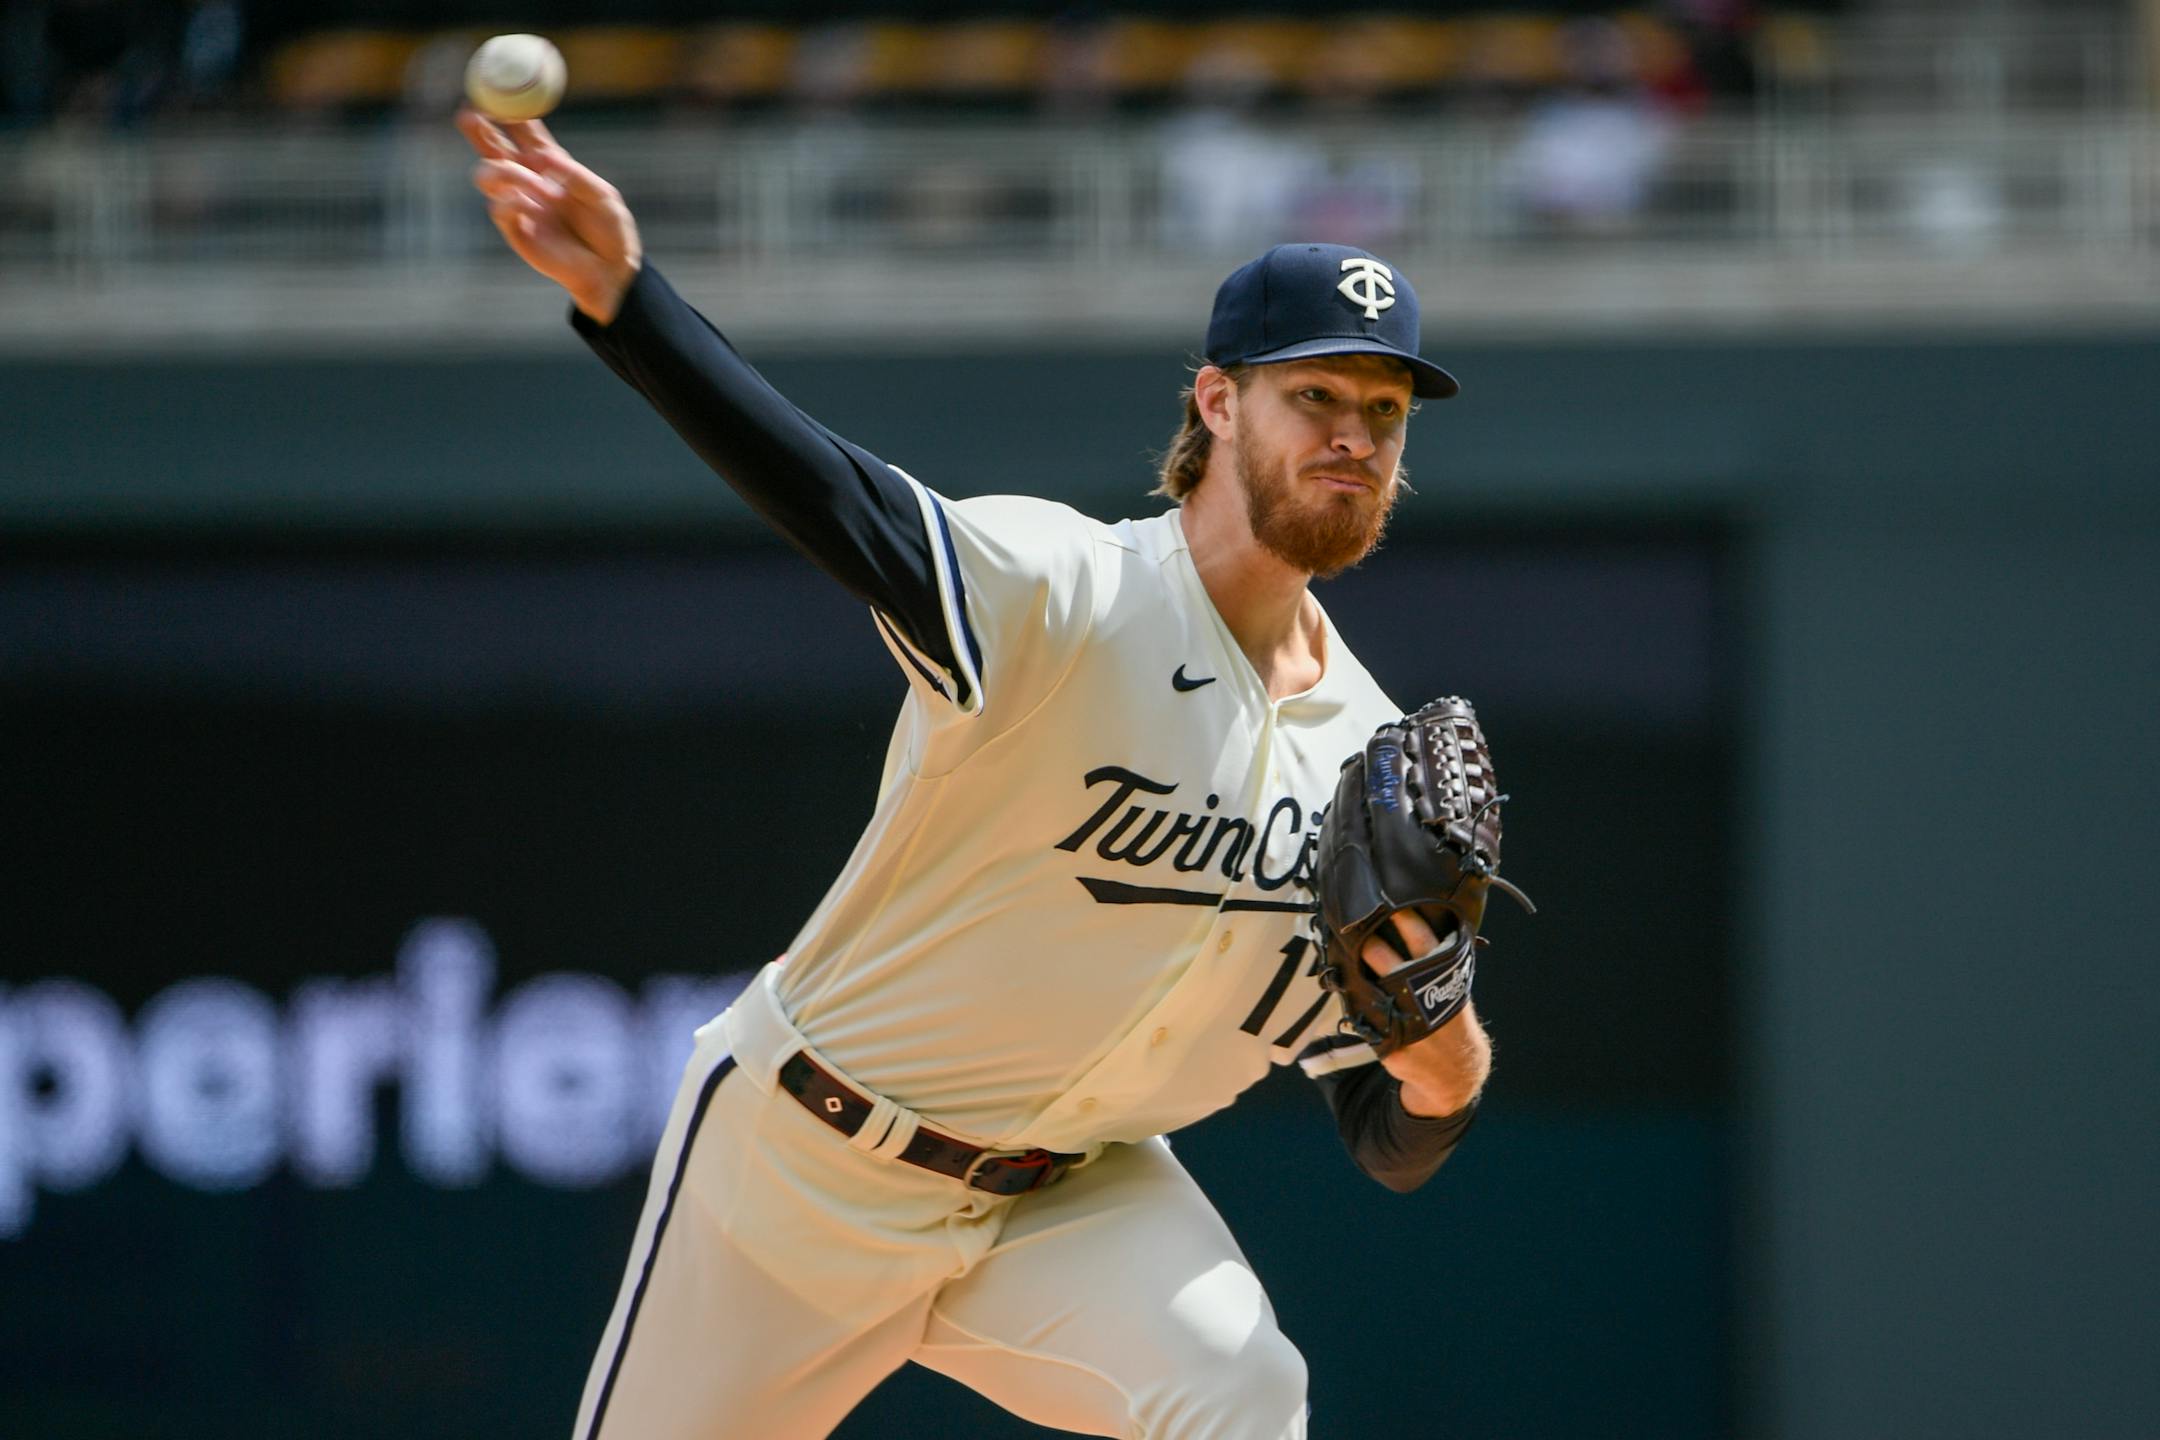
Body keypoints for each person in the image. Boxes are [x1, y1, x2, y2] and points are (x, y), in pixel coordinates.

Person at [459, 107, 1495, 1440]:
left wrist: (1449, 1055)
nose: (1355, 435)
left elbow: (1387, 1129)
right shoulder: (1066, 591)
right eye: (1317, 397)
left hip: (1067, 1202)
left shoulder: (1367, 752)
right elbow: (831, 496)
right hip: (804, 1171)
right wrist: (628, 302)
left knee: (1242, 1389)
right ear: (1217, 400)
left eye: (1384, 411)